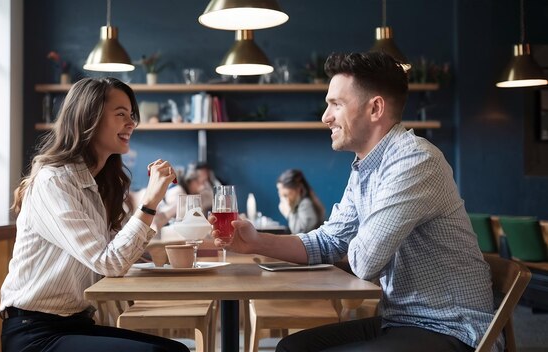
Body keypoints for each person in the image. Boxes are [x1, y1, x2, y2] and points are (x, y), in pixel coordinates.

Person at [211, 52, 495, 352]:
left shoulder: (414, 161)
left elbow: (365, 261)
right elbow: (328, 241)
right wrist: (255, 242)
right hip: (398, 322)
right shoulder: (365, 169)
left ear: (375, 108)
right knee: (290, 348)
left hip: (451, 329)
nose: (325, 116)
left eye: (336, 104)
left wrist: (349, 241)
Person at [0, 77, 188, 352]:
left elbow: (114, 255)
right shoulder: (54, 182)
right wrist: (150, 201)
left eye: (131, 115)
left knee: (176, 350)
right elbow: (109, 262)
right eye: (121, 114)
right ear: (89, 118)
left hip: (75, 325)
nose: (131, 123)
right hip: (34, 334)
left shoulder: (95, 184)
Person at [276, 169, 325, 233]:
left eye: (285, 195)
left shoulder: (305, 204)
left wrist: (289, 213)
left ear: (298, 189)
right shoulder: (299, 205)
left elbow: (299, 233)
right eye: (280, 195)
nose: (283, 200)